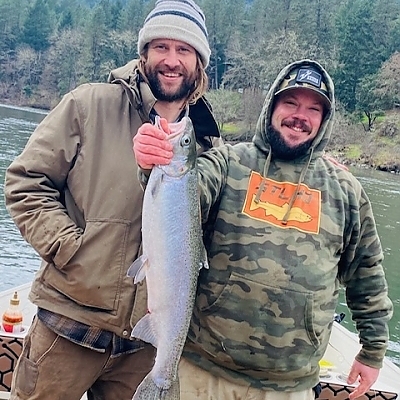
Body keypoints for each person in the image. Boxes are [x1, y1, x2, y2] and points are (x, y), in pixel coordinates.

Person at [133, 59, 393, 400]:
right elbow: (180, 199)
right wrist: (155, 161)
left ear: (324, 120)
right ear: (272, 105)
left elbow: (367, 274)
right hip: (203, 371)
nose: (301, 115)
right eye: (291, 103)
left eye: (314, 108)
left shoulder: (345, 190)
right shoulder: (228, 162)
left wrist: (373, 350)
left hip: (289, 387)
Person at [4, 1, 220, 399]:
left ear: (199, 64)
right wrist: (72, 248)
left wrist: (318, 166)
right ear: (144, 54)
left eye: (184, 50)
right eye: (161, 47)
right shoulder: (89, 105)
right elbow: (24, 182)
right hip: (67, 330)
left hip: (143, 350)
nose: (171, 60)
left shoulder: (209, 146)